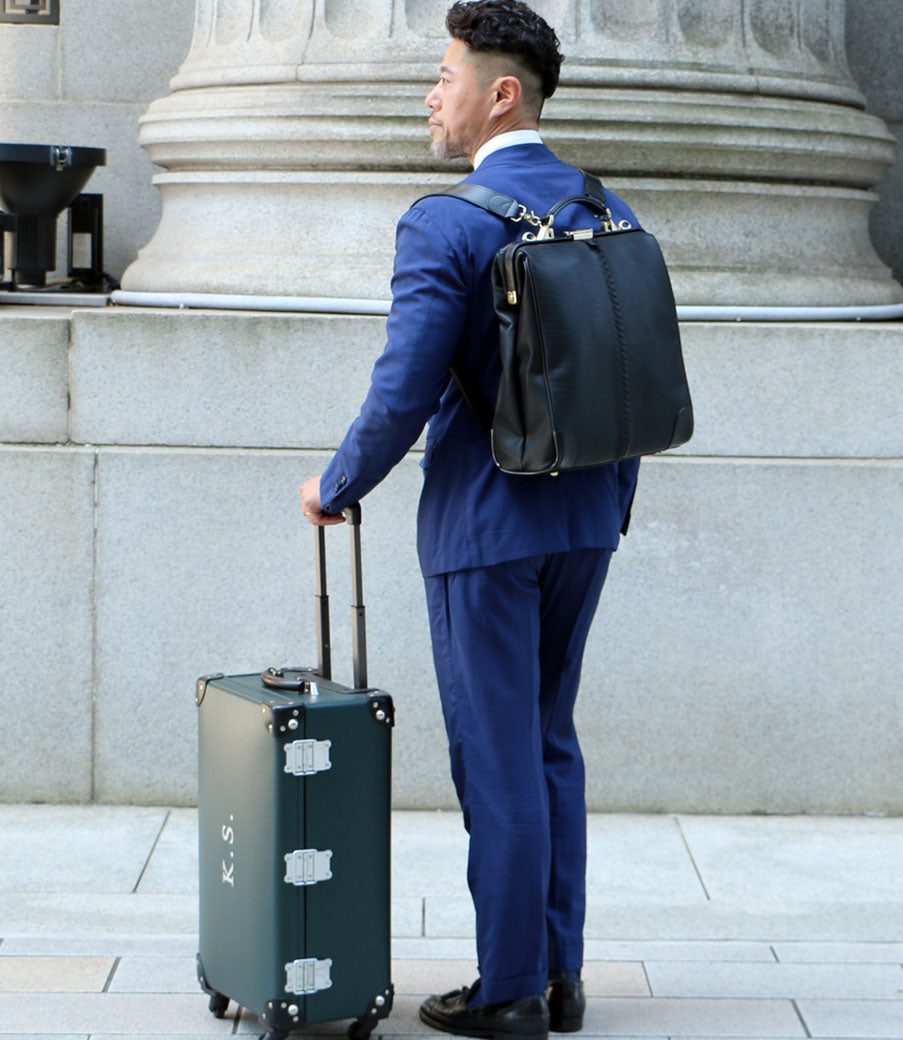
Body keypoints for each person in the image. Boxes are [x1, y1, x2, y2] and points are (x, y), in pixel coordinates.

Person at [300, 3, 639, 1037]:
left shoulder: (445, 223)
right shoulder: (607, 206)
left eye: (444, 77)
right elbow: (629, 372)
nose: (430, 96)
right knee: (546, 742)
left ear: (501, 94)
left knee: (496, 757)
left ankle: (509, 989)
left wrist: (338, 482)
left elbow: (402, 388)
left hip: (486, 528)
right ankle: (559, 974)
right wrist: (606, 502)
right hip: (587, 515)